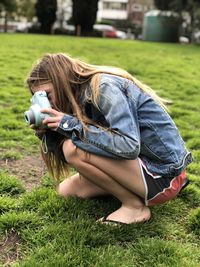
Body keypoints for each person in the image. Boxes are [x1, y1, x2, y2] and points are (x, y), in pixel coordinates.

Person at [26, 53, 192, 225]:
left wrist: (69, 125)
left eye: (47, 95)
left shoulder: (104, 87)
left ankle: (134, 207)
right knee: (65, 190)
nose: (47, 103)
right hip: (139, 167)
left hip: (162, 174)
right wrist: (47, 131)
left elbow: (128, 145)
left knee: (73, 150)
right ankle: (129, 191)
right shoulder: (76, 97)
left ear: (61, 82)